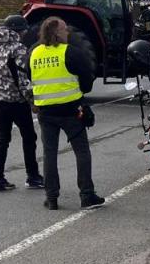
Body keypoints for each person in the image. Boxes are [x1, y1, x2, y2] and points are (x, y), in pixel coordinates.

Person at [30, 18, 104, 211]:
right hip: (70, 110)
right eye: (64, 29)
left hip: (45, 111)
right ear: (56, 33)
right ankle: (87, 195)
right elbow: (87, 79)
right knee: (81, 151)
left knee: (49, 154)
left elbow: (30, 77)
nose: (68, 32)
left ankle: (51, 197)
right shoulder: (70, 52)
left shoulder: (34, 53)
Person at [0, 15, 43, 193]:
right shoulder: (18, 49)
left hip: (0, 100)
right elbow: (23, 78)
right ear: (18, 30)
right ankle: (32, 176)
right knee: (29, 137)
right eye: (24, 30)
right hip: (17, 101)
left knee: (3, 138)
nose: (26, 33)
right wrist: (31, 100)